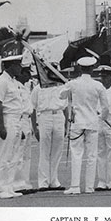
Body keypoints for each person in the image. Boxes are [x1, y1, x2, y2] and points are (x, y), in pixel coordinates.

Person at [60, 56, 109, 194]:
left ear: (80, 68)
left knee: (77, 155)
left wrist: (67, 87)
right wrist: (100, 119)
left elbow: (61, 95)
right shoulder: (98, 85)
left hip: (78, 123)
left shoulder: (73, 84)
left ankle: (75, 186)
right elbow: (105, 108)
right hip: (93, 122)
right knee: (92, 156)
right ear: (92, 68)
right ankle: (89, 187)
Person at [0, 40, 24, 199]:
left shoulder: (13, 81)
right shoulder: (2, 81)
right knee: (4, 157)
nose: (20, 68)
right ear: (10, 66)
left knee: (13, 157)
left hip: (16, 121)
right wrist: (2, 126)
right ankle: (0, 189)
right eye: (18, 65)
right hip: (8, 120)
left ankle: (9, 187)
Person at [31, 63, 67, 192]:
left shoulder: (62, 87)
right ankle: (43, 182)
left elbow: (66, 107)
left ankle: (54, 181)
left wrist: (66, 125)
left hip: (58, 116)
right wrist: (34, 128)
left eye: (55, 71)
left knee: (57, 150)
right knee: (44, 150)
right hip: (44, 117)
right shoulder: (38, 88)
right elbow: (33, 109)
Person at [12, 66, 37, 195]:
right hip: (20, 120)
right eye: (26, 74)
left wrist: (33, 126)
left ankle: (25, 183)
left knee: (27, 156)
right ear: (20, 74)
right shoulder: (15, 86)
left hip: (27, 121)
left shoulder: (26, 87)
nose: (29, 77)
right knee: (18, 154)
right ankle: (17, 184)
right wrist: (20, 127)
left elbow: (31, 108)